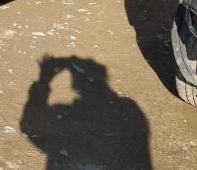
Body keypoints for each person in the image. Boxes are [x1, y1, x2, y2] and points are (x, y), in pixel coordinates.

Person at [21, 56, 152, 169]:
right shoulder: (127, 108)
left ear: (75, 85)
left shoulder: (64, 115)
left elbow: (30, 127)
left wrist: (44, 79)